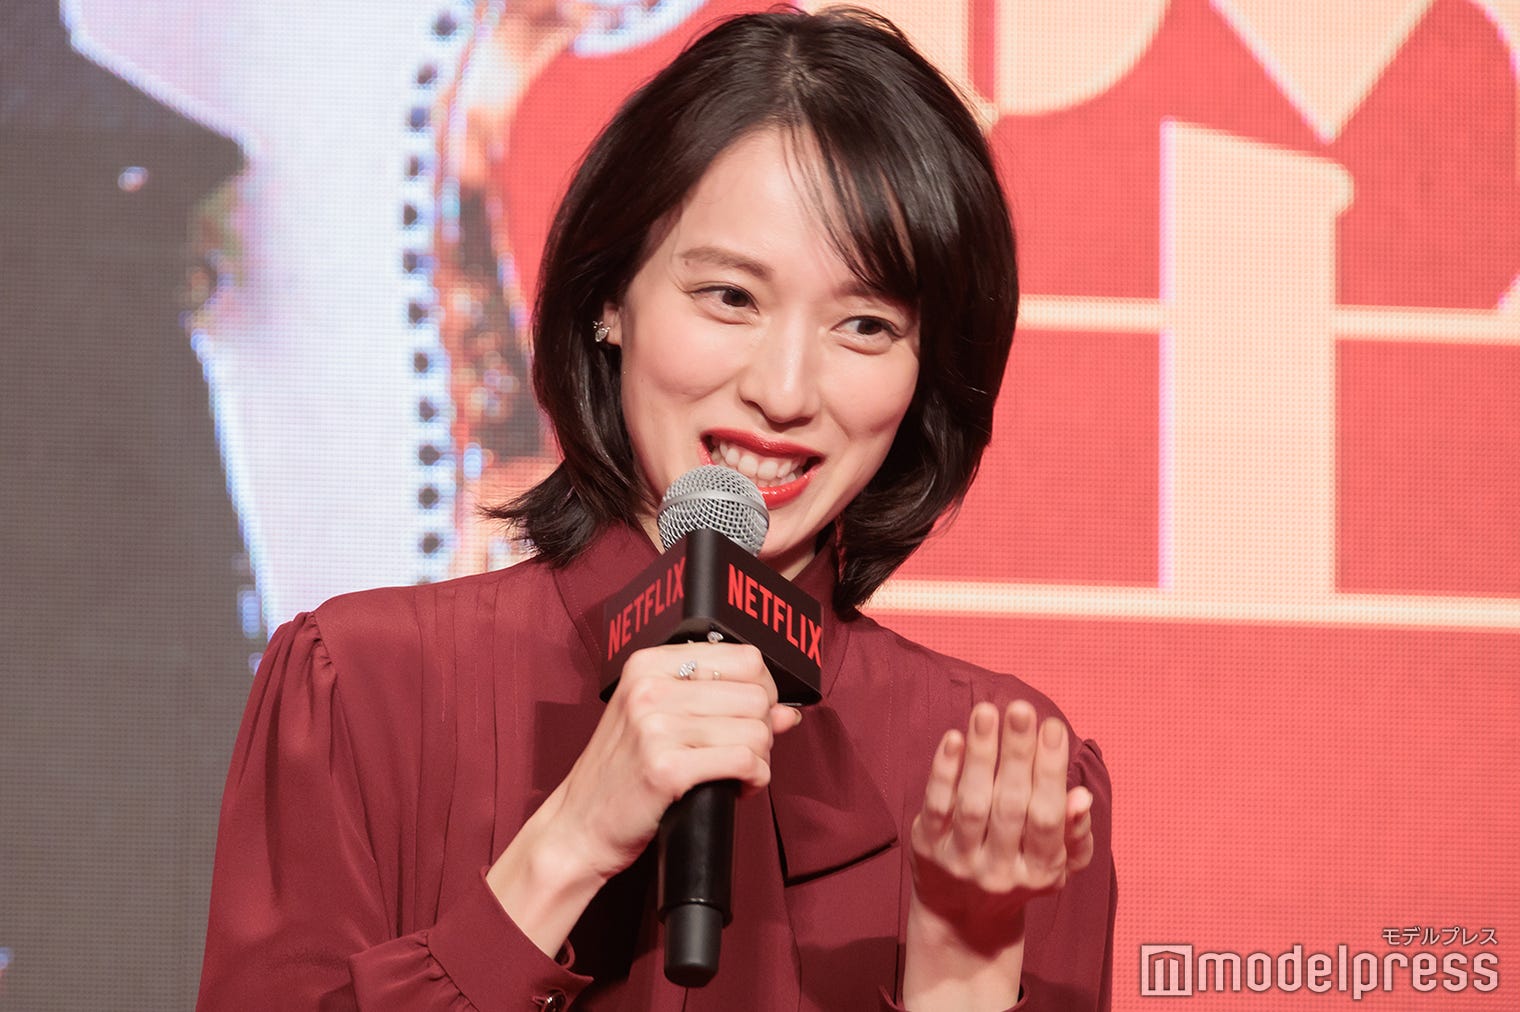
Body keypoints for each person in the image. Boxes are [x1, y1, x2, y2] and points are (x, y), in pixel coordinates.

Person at [197, 7, 1115, 1009]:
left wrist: (962, 959)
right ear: (610, 298)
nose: (784, 391)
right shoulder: (361, 688)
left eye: (864, 324)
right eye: (730, 298)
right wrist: (569, 841)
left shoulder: (994, 774)